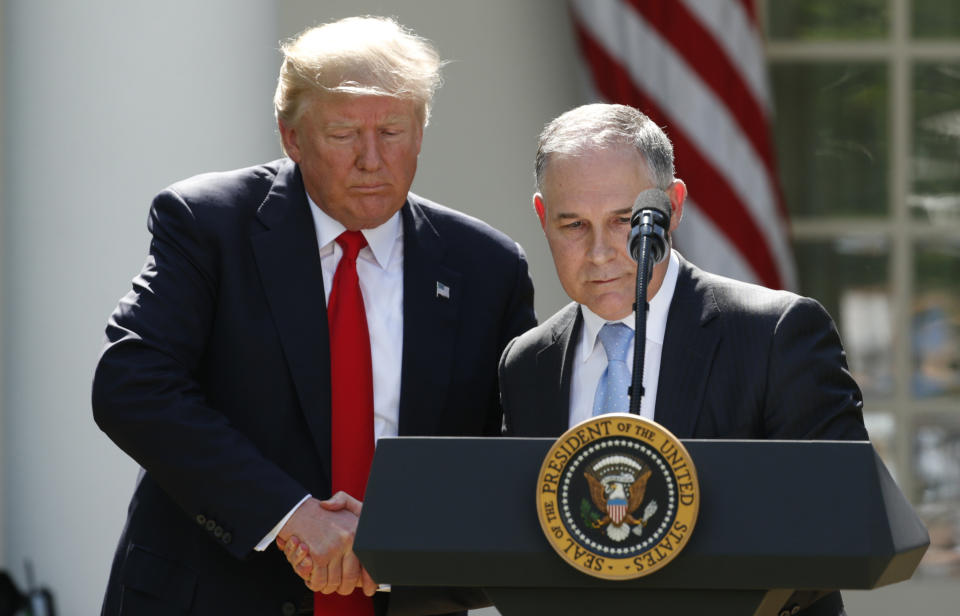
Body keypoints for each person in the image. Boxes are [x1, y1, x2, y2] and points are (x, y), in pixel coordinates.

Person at [92, 16, 536, 616]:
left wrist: (410, 542)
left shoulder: (487, 267)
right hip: (214, 595)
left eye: (393, 131)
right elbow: (132, 385)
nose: (372, 159)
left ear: (421, 133)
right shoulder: (209, 224)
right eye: (344, 134)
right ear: (291, 138)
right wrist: (289, 515)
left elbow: (509, 453)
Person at [498, 103, 867, 616]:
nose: (601, 251)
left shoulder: (775, 335)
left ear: (672, 206)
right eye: (574, 225)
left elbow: (844, 515)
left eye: (625, 221)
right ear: (542, 217)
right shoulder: (528, 363)